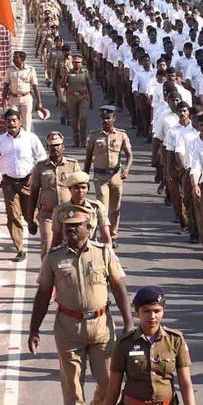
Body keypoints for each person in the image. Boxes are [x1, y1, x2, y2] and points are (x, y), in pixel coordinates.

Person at [28, 204, 132, 405]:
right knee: (72, 383)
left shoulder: (103, 253)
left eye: (76, 226)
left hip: (101, 326)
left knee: (108, 380)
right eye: (67, 227)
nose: (71, 231)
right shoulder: (54, 258)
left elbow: (118, 288)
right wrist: (34, 329)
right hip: (68, 327)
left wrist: (129, 323)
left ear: (88, 227)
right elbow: (42, 295)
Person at [0, 108, 46, 261]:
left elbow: (42, 158)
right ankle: (20, 249)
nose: (11, 123)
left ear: (20, 121)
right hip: (9, 183)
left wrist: (35, 175)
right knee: (13, 215)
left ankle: (32, 222)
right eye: (8, 121)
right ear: (5, 123)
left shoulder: (31, 138)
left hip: (28, 182)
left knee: (30, 215)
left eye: (14, 120)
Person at [83, 105, 134, 241]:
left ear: (114, 119)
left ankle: (113, 235)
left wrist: (127, 169)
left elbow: (129, 155)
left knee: (115, 209)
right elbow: (88, 159)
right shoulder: (94, 136)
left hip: (116, 176)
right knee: (102, 207)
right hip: (100, 177)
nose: (105, 121)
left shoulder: (121, 135)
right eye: (103, 119)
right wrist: (85, 178)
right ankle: (104, 237)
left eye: (108, 118)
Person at [26, 131, 80, 256]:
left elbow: (80, 190)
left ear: (63, 147)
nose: (55, 148)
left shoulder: (72, 165)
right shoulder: (40, 167)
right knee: (47, 245)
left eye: (58, 145)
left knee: (70, 247)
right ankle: (46, 274)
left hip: (69, 214)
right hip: (48, 214)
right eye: (52, 145)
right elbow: (33, 193)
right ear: (47, 148)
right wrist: (30, 219)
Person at [3, 50, 46, 131]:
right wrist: (4, 99)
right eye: (13, 57)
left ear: (22, 59)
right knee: (13, 119)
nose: (13, 59)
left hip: (26, 98)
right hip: (13, 99)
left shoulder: (30, 70)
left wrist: (39, 102)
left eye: (16, 58)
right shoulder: (9, 69)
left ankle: (26, 140)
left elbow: (35, 86)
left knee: (26, 120)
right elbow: (6, 84)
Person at [62, 53, 94, 147]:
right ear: (72, 63)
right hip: (71, 98)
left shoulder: (85, 72)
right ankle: (76, 140)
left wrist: (91, 100)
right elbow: (63, 85)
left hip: (83, 97)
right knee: (74, 120)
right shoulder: (69, 72)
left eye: (78, 62)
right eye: (75, 62)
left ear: (81, 63)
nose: (77, 64)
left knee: (83, 118)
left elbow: (89, 86)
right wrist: (65, 75)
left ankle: (83, 140)